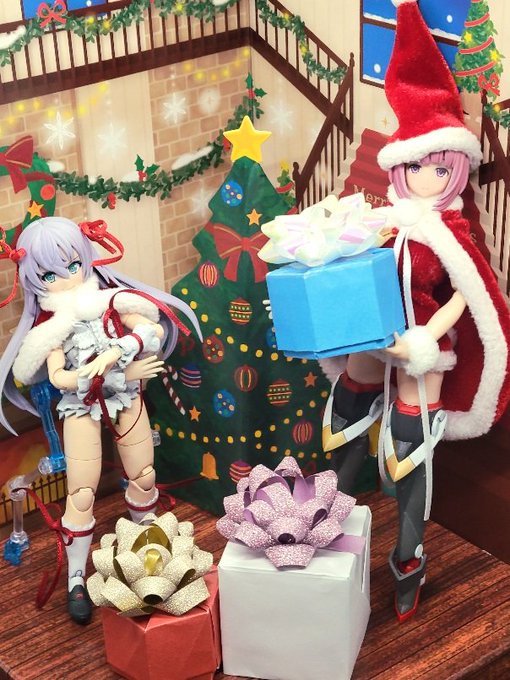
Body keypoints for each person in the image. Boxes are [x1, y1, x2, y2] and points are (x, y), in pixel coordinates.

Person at [323, 0, 510, 622]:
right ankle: (329, 520)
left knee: (410, 444)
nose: (426, 175)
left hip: (423, 344)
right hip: (377, 335)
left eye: (438, 166)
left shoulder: (451, 231)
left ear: (454, 167)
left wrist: (424, 339)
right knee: (348, 409)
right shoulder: (388, 219)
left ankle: (408, 557)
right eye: (416, 164)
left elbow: (468, 295)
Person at [0, 216, 201, 625]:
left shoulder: (110, 300)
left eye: (73, 265)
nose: (66, 277)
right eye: (50, 274)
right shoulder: (50, 325)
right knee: (81, 493)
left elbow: (152, 330)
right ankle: (76, 577)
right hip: (82, 405)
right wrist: (112, 373)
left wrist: (118, 351)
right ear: (34, 277)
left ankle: (150, 549)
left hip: (126, 399)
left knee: (143, 474)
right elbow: (58, 377)